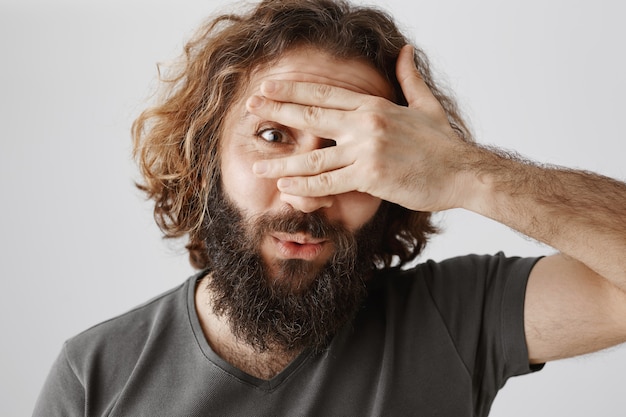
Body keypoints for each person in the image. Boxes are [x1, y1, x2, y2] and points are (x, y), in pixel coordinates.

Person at [33, 0, 626, 416]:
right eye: (272, 136)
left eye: (349, 150)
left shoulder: (455, 320)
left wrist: (465, 171)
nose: (307, 191)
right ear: (204, 153)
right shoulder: (97, 373)